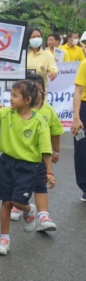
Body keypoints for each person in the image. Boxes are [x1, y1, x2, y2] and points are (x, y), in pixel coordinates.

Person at [0, 80, 54, 256]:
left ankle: (29, 209)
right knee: (6, 202)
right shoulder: (6, 113)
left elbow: (46, 149)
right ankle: (4, 238)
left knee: (17, 202)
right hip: (6, 163)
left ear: (27, 100)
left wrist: (49, 172)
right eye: (11, 95)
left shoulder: (39, 121)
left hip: (28, 167)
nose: (11, 99)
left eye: (15, 96)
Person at [9, 74, 61, 231]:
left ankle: (43, 216)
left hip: (40, 158)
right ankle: (19, 205)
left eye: (39, 89)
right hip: (20, 157)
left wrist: (56, 151)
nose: (36, 92)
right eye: (33, 89)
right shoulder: (16, 110)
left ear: (43, 91)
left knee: (40, 185)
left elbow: (55, 132)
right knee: (17, 184)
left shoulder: (49, 111)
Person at [70, 58, 86, 201]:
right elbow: (78, 91)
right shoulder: (85, 63)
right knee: (82, 148)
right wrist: (76, 118)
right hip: (84, 108)